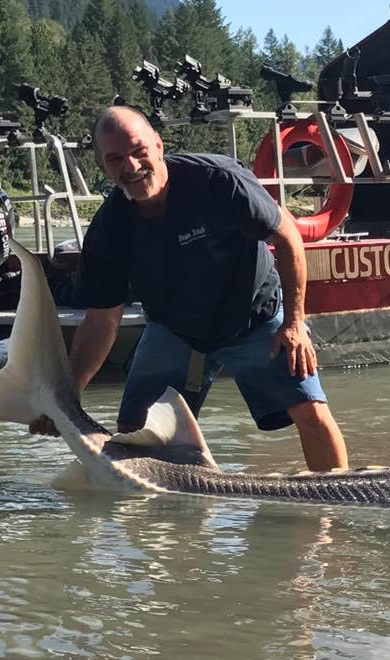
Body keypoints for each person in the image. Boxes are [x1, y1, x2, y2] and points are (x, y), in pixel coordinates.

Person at [30, 105, 348, 471]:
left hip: (253, 317)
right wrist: (65, 401)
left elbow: (289, 237)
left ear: (159, 146)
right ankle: (162, 524)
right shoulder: (108, 229)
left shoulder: (216, 181)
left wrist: (294, 324)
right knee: (136, 432)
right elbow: (102, 321)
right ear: (103, 168)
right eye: (115, 159)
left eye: (138, 151)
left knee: (311, 412)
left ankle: (335, 511)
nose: (131, 167)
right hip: (175, 328)